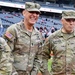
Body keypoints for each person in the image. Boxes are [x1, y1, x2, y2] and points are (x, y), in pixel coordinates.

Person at [3, 2, 43, 75]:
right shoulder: (13, 30)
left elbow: (39, 57)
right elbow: (5, 54)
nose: (34, 15)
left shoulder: (38, 35)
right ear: (24, 13)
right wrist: (13, 73)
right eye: (31, 12)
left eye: (37, 13)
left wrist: (34, 72)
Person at [42, 10, 75, 75]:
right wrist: (46, 73)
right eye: (68, 20)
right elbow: (43, 56)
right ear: (62, 21)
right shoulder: (53, 37)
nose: (71, 23)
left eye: (73, 20)